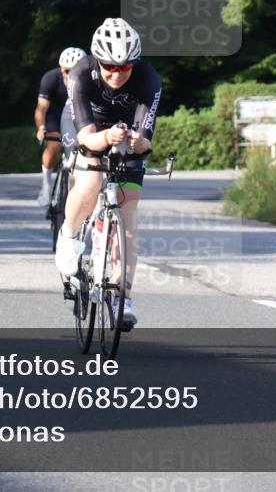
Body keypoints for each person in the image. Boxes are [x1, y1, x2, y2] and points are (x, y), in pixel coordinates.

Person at [54, 18, 162, 328]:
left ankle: (122, 296)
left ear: (135, 63)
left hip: (125, 133)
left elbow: (145, 136)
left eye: (124, 67)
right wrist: (106, 138)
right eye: (109, 66)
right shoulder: (81, 74)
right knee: (89, 183)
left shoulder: (149, 79)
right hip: (87, 127)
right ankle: (70, 236)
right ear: (97, 60)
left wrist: (138, 141)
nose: (116, 73)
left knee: (127, 217)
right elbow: (87, 137)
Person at [34, 47, 86, 205]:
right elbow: (41, 108)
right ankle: (46, 185)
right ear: (60, 67)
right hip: (54, 117)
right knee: (54, 145)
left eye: (75, 70)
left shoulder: (89, 80)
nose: (70, 74)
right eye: (66, 70)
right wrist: (41, 128)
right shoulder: (50, 78)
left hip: (77, 116)